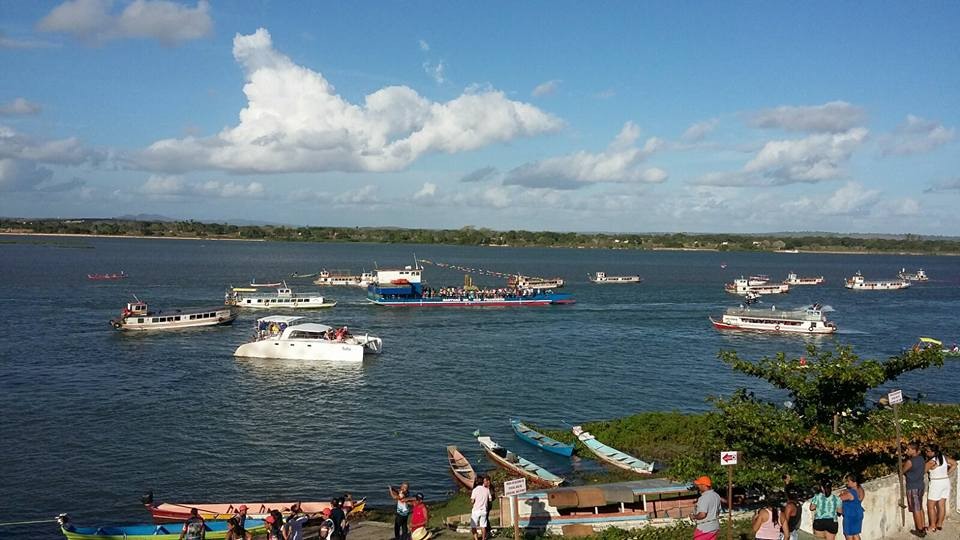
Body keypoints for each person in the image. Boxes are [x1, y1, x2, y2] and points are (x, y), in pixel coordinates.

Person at [925, 444, 958, 532]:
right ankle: (939, 524)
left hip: (936, 483)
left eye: (928, 451)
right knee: (941, 505)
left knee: (930, 506)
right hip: (945, 482)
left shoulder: (931, 461)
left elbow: (922, 471)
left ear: (933, 452)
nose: (926, 452)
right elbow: (954, 464)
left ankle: (932, 526)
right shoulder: (943, 458)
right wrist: (947, 473)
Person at [902, 442, 927, 536]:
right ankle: (923, 526)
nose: (907, 451)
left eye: (908, 449)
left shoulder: (910, 461)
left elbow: (902, 471)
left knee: (916, 508)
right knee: (919, 507)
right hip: (920, 485)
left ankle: (920, 530)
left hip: (913, 486)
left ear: (913, 450)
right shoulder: (921, 459)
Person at [690, 475, 721, 540]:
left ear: (704, 485)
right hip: (714, 527)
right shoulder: (716, 495)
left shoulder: (703, 498)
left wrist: (694, 516)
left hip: (704, 529)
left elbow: (702, 515)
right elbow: (718, 511)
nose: (698, 486)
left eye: (699, 484)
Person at [839, 473, 865, 540]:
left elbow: (837, 499)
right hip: (858, 513)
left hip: (850, 515)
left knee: (849, 536)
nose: (847, 483)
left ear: (854, 482)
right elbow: (859, 499)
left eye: (848, 481)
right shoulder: (860, 490)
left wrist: (842, 493)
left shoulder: (849, 493)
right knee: (856, 534)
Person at [470, 476, 492, 540]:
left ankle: (476, 539)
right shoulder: (487, 489)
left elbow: (472, 501)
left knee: (473, 527)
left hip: (476, 510)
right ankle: (483, 538)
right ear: (482, 482)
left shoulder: (475, 490)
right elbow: (490, 499)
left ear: (476, 482)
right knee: (483, 526)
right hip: (484, 510)